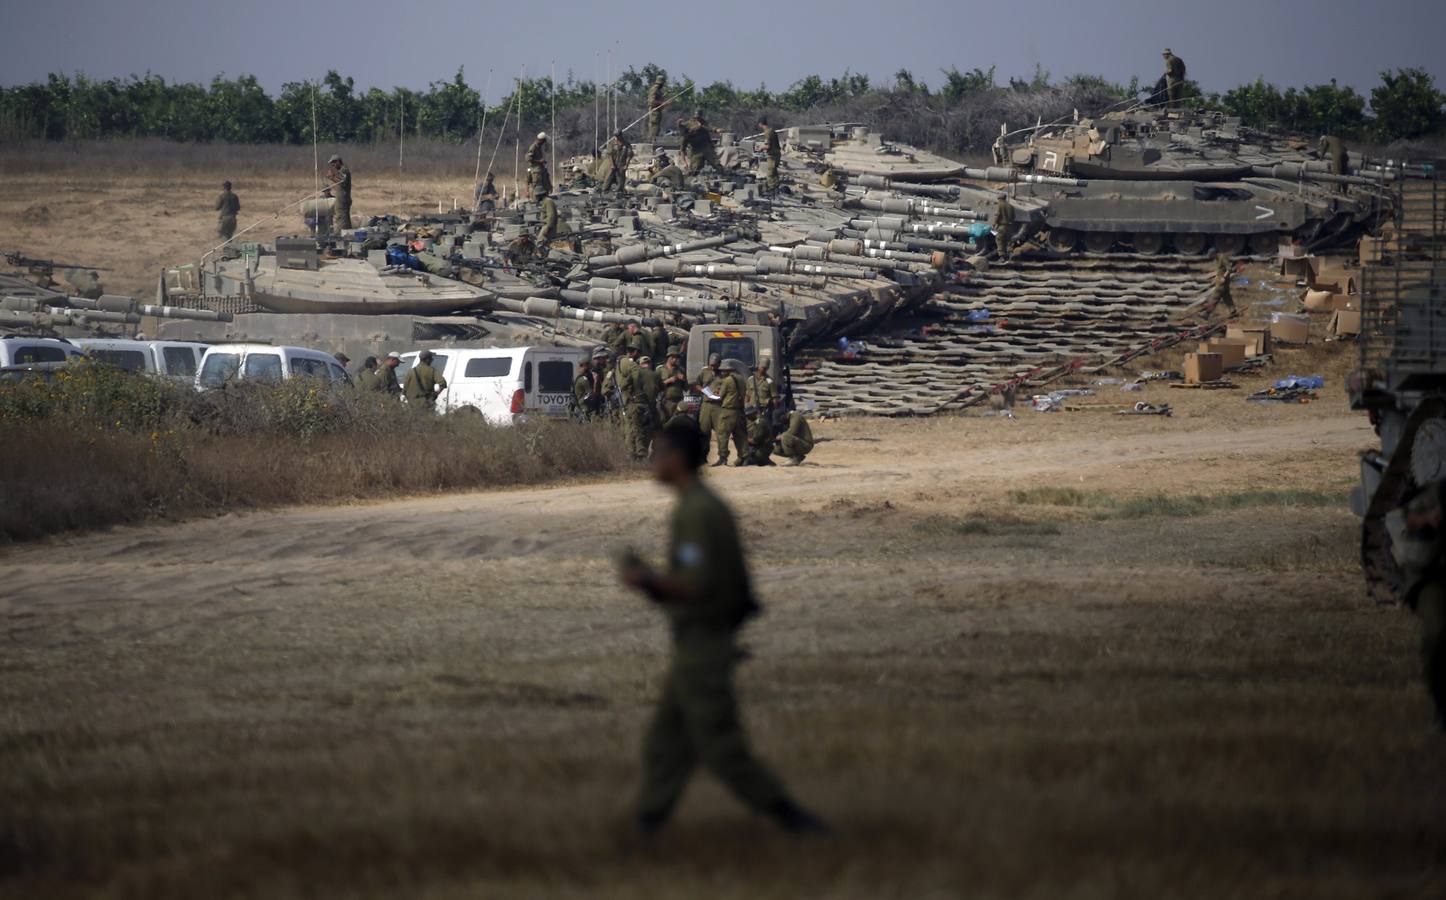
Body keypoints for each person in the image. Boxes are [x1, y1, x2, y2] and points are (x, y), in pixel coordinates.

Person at [617, 421, 830, 836]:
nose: (651, 461)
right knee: (665, 744)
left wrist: (646, 580)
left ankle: (795, 820)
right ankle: (646, 827)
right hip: (696, 643)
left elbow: (696, 587)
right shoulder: (698, 505)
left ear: (676, 459)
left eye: (657, 452)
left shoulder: (697, 512)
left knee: (720, 747)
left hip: (705, 644)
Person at [1390, 479, 1446, 732]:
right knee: (1437, 632)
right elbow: (1402, 521)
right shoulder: (1433, 489)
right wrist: (1427, 520)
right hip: (1434, 576)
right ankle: (1441, 708)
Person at [713, 359, 749, 467]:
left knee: (722, 434)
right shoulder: (742, 379)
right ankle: (744, 457)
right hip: (739, 411)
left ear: (727, 370)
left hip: (728, 411)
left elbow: (720, 396)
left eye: (723, 371)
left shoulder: (727, 380)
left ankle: (723, 458)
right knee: (740, 435)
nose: (722, 373)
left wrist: (716, 393)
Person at [626, 355, 663, 459]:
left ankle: (635, 453)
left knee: (636, 430)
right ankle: (652, 453)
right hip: (651, 407)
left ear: (640, 364)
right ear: (650, 364)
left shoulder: (635, 374)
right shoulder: (655, 374)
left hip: (636, 405)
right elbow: (661, 388)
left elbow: (624, 386)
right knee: (654, 430)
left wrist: (631, 397)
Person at [678, 111, 723, 177]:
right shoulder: (685, 137)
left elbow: (709, 127)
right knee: (695, 167)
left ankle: (722, 173)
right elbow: (682, 151)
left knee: (715, 163)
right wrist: (684, 163)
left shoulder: (701, 124)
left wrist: (716, 130)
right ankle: (694, 177)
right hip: (696, 150)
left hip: (706, 146)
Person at [696, 353, 724, 457]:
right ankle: (703, 455)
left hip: (718, 405)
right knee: (704, 430)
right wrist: (703, 390)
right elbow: (697, 384)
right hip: (706, 404)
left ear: (719, 364)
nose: (713, 367)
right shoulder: (704, 372)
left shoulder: (723, 374)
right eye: (711, 365)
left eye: (715, 365)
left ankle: (722, 456)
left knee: (720, 431)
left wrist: (721, 391)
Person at [1200, 253, 1238, 318]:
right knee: (1226, 296)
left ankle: (1206, 313)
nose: (1211, 257)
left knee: (1215, 297)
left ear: (1214, 254)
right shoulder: (1218, 259)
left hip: (1222, 283)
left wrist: (1224, 277)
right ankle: (1232, 310)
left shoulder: (1222, 258)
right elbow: (1221, 270)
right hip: (1221, 282)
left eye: (1211, 256)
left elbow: (1229, 269)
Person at [658, 349, 687, 422]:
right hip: (665, 402)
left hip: (678, 401)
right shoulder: (660, 370)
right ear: (668, 357)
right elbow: (656, 386)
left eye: (676, 358)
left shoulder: (680, 369)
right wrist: (668, 381)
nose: (675, 360)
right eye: (673, 357)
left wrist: (683, 379)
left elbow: (686, 388)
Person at [326, 155, 353, 230]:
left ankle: (343, 234)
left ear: (338, 161)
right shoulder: (341, 171)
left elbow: (343, 182)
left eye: (333, 163)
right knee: (341, 217)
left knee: (342, 218)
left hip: (343, 199)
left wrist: (332, 177)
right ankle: (344, 233)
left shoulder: (344, 170)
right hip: (341, 199)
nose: (332, 165)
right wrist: (333, 176)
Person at [603, 131, 634, 196]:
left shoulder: (626, 144)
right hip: (612, 164)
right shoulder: (612, 143)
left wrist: (626, 165)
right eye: (616, 136)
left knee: (621, 180)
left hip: (621, 164)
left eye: (618, 136)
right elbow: (610, 155)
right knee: (608, 178)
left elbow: (629, 155)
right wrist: (612, 164)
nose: (617, 137)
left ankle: (620, 192)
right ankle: (605, 191)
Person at [758, 118, 782, 192]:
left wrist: (761, 148)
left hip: (772, 156)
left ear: (761, 124)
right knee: (774, 172)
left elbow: (768, 146)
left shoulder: (767, 132)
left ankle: (772, 189)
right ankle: (776, 187)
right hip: (777, 154)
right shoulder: (772, 130)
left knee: (770, 174)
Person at [526, 132, 552, 199]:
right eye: (544, 140)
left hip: (541, 169)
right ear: (541, 140)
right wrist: (539, 161)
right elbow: (528, 158)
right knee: (537, 189)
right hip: (536, 171)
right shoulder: (533, 147)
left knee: (545, 188)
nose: (545, 142)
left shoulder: (539, 147)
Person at [991, 193, 1015, 261]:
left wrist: (993, 224)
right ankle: (1010, 254)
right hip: (1009, 227)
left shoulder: (999, 205)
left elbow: (997, 215)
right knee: (1008, 241)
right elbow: (1014, 217)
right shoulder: (1011, 206)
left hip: (1001, 226)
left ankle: (1002, 257)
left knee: (999, 240)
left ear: (999, 198)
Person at [645, 74, 668, 142]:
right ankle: (651, 141)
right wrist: (662, 103)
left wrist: (665, 95)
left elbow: (658, 98)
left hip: (658, 111)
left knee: (657, 128)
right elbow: (652, 101)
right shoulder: (654, 89)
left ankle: (654, 141)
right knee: (654, 127)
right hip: (654, 111)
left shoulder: (658, 90)